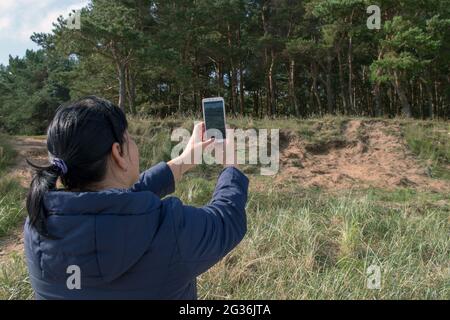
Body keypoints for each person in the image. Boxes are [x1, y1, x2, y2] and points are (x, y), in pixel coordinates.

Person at [24, 96, 248, 299]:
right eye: (129, 139)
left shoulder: (38, 223)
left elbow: (114, 203)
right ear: (118, 152)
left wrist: (185, 160)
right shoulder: (169, 228)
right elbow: (227, 219)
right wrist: (231, 165)